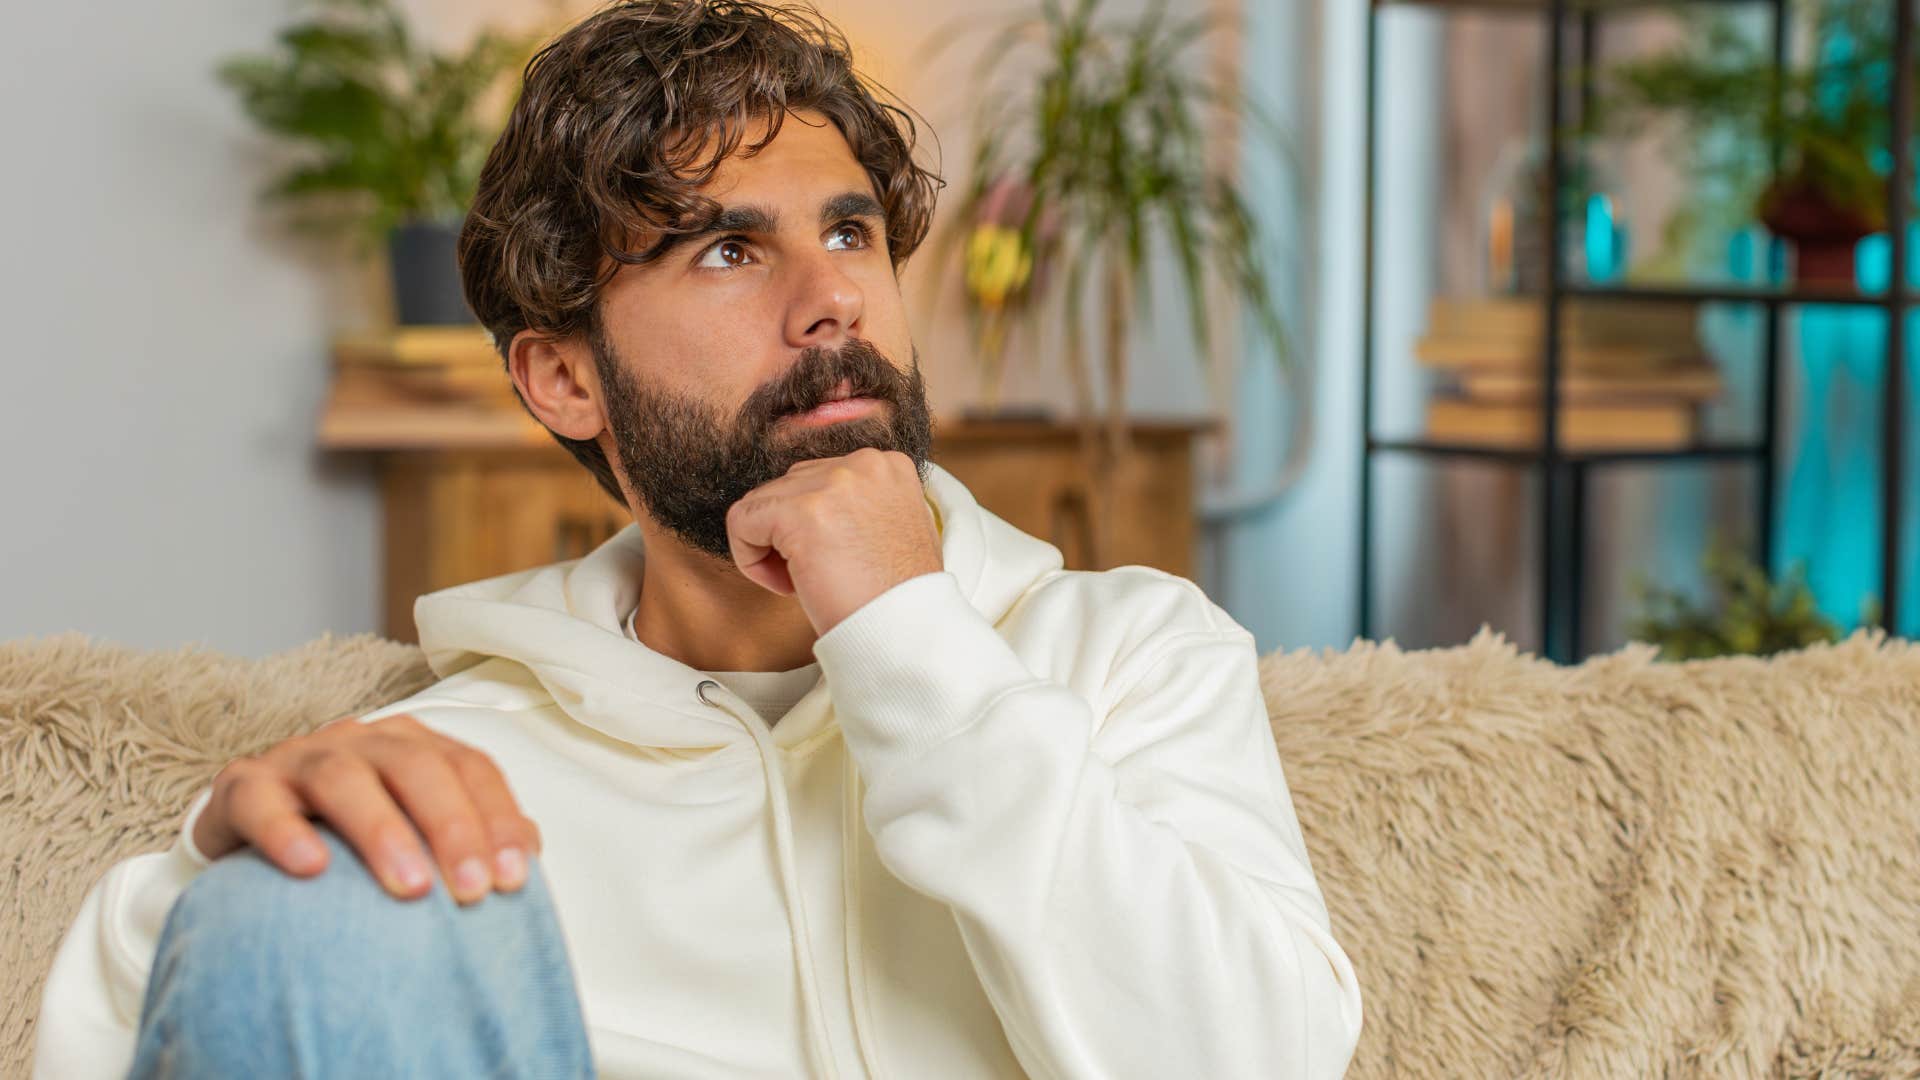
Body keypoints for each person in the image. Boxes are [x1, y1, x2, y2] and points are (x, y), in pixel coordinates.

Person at [32, 2, 1363, 1076]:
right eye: (728, 253)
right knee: (310, 909)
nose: (833, 297)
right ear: (564, 380)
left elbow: (1257, 1058)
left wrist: (913, 636)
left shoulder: (1126, 655)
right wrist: (228, 852)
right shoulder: (451, 785)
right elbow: (133, 1031)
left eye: (850, 231)